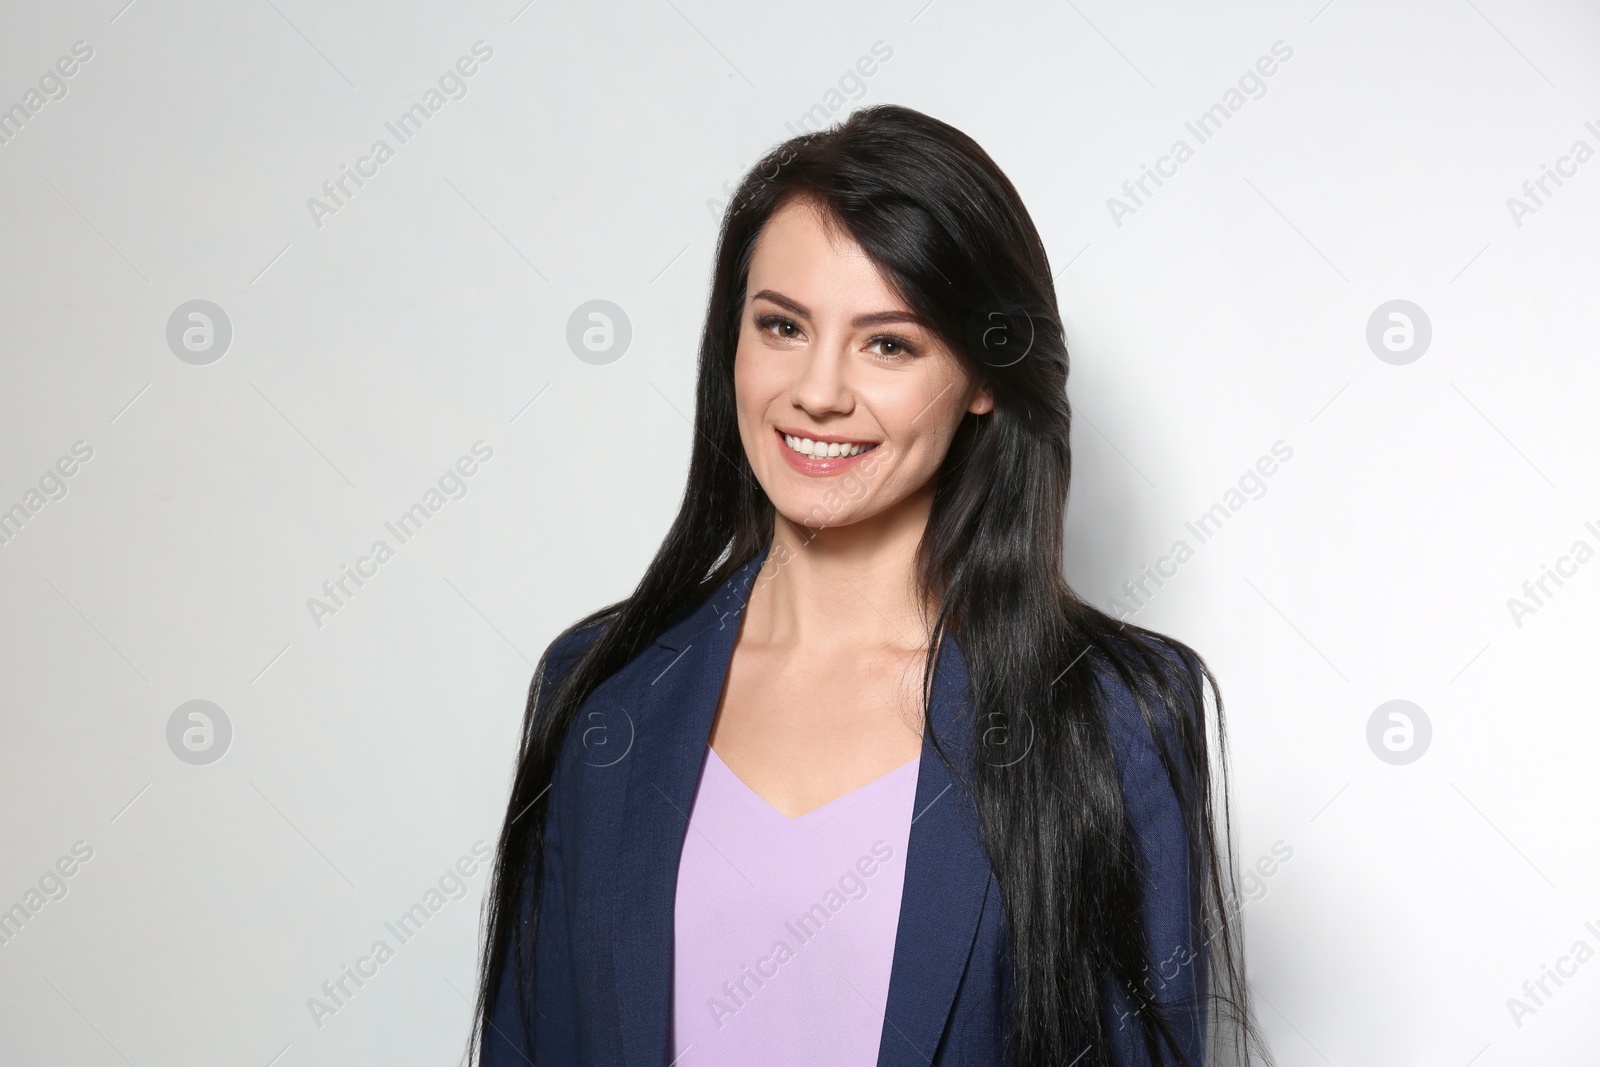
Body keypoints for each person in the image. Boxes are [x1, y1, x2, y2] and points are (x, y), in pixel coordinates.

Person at [472, 104, 1269, 1067]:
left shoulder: (1112, 718)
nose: (817, 391)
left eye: (888, 343)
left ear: (983, 374)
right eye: (781, 326)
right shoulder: (600, 688)